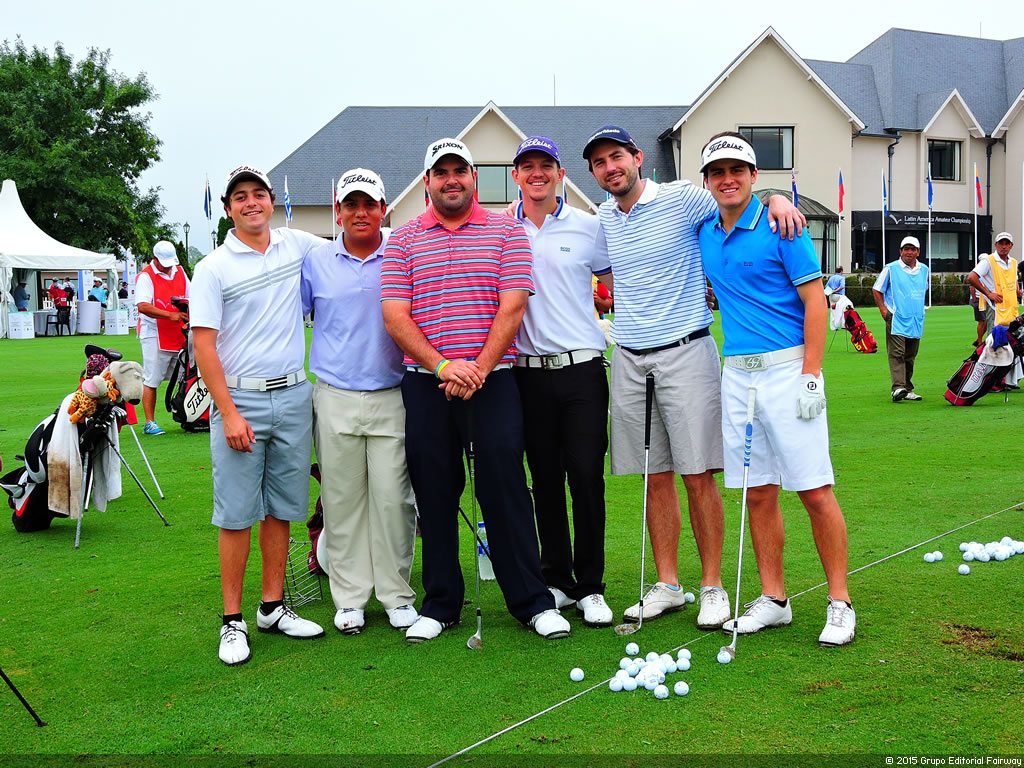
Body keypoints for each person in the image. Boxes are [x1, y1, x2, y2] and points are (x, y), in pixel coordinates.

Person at [583, 124, 803, 630]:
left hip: (686, 350)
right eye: (600, 163)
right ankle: (668, 584)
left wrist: (775, 198)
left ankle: (712, 586)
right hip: (629, 358)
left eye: (617, 157)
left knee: (698, 474)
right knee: (653, 476)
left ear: (638, 157)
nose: (611, 168)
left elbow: (736, 201)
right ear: (593, 172)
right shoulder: (603, 218)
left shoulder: (683, 198)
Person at [381, 138, 569, 643]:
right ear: (427, 182)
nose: (452, 180)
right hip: (428, 384)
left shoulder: (507, 232)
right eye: (441, 172)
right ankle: (441, 604)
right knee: (435, 492)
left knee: (505, 488)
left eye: (459, 170)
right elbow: (395, 316)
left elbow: (513, 305)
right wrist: (445, 366)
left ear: (474, 177)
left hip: (494, 380)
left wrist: (478, 369)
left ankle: (532, 602)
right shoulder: (402, 239)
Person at [697, 131, 855, 646]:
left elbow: (815, 302)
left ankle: (839, 602)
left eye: (736, 171)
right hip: (737, 375)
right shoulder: (704, 231)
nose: (727, 180)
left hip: (789, 371)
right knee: (758, 492)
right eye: (717, 172)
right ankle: (774, 599)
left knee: (814, 489)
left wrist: (812, 373)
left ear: (753, 176)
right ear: (707, 181)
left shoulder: (783, 225)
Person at [191, 165, 326, 666]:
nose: (251, 203)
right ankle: (232, 620)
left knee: (282, 508)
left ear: (271, 200)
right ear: (229, 209)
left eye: (258, 194)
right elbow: (204, 346)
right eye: (240, 197)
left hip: (292, 395)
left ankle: (272, 606)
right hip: (240, 400)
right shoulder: (213, 268)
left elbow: (357, 242)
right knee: (236, 514)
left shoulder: (296, 245)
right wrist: (227, 413)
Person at [301, 168, 418, 635]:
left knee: (394, 502)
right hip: (334, 396)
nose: (361, 212)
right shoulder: (316, 261)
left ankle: (396, 594)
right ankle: (349, 597)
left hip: (393, 394)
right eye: (351, 204)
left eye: (369, 204)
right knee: (342, 500)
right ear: (338, 211)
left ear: (384, 209)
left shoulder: (403, 251)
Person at [509, 136, 614, 627]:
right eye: (527, 166)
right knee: (545, 481)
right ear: (516, 176)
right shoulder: (499, 230)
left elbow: (616, 285)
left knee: (586, 478)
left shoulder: (589, 227)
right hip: (527, 375)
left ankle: (591, 585)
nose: (537, 173)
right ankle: (556, 579)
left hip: (582, 371)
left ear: (560, 173)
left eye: (545, 165)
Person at [135, 240, 190, 436]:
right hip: (154, 334)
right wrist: (171, 315)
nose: (168, 267)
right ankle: (149, 422)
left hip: (179, 332)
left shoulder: (180, 271)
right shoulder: (146, 276)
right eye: (164, 263)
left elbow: (191, 296)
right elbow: (143, 306)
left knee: (186, 375)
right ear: (155, 259)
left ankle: (189, 415)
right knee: (152, 378)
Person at [872, 236, 929, 402]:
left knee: (911, 355)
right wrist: (884, 310)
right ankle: (898, 388)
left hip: (916, 318)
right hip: (896, 317)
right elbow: (877, 289)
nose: (909, 252)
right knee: (897, 353)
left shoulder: (924, 269)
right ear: (900, 251)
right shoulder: (891, 268)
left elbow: (923, 290)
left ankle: (907, 388)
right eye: (906, 249)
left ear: (918, 252)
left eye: (912, 249)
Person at [967, 233, 1021, 335]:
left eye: (1007, 243)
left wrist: (1017, 291)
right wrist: (988, 293)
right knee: (995, 339)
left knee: (1013, 340)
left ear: (1011, 245)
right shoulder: (988, 261)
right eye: (1001, 243)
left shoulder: (1013, 262)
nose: (1004, 246)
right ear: (996, 245)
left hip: (1011, 308)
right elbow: (971, 277)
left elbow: (1014, 280)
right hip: (996, 309)